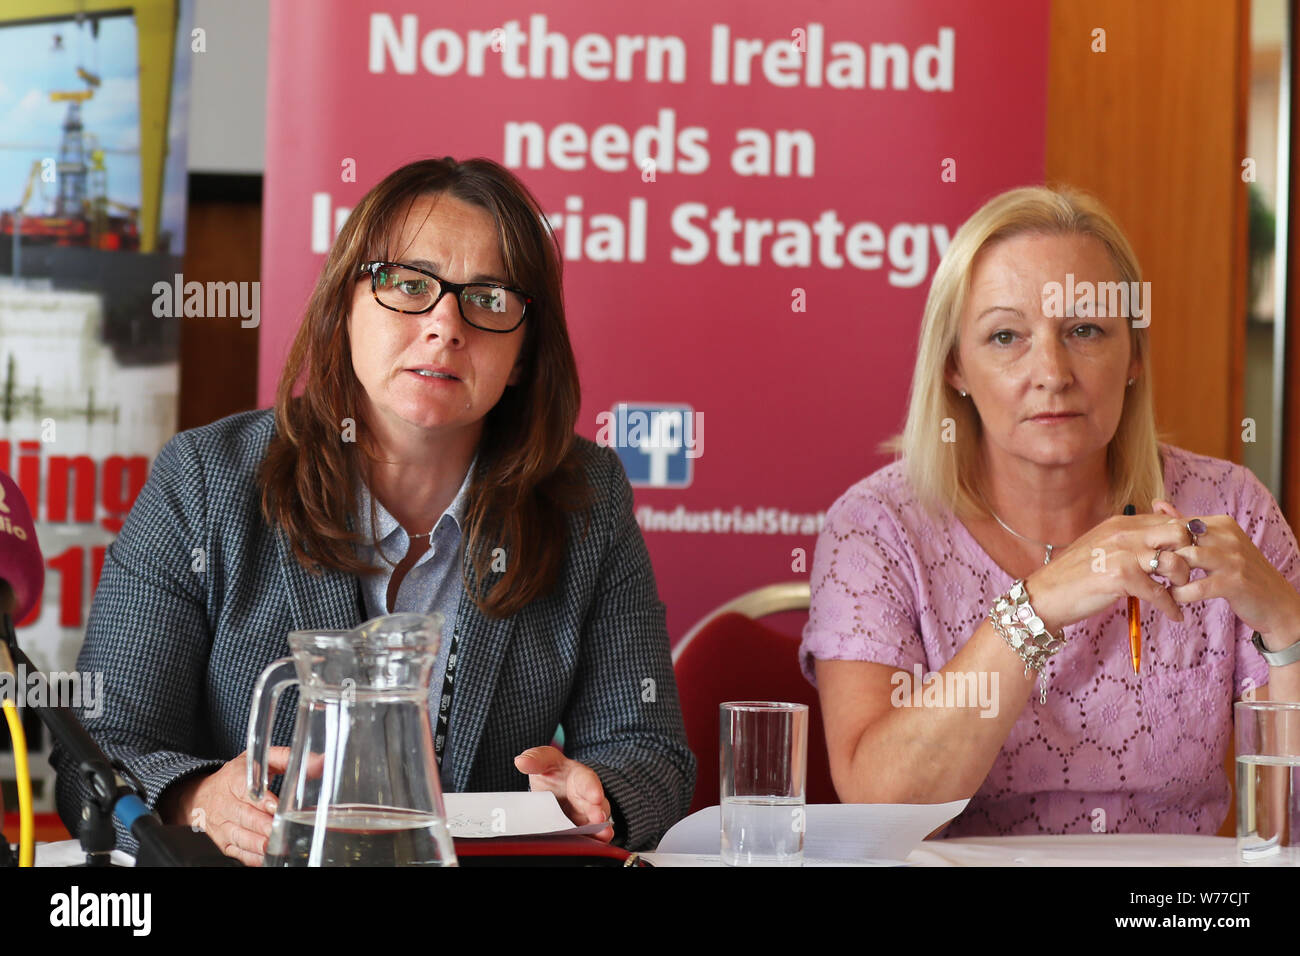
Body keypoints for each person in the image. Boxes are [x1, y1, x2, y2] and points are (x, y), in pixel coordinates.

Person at [52, 157, 695, 863]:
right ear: (344, 307)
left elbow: (652, 754)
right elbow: (99, 749)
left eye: (489, 297)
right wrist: (197, 801)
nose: (446, 325)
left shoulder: (584, 498)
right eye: (408, 285)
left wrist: (597, 792)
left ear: (523, 354)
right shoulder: (205, 481)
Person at [801, 185, 1300, 836]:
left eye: (1085, 330)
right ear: (955, 366)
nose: (1052, 371)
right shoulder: (877, 528)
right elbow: (878, 803)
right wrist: (1037, 606)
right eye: (1006, 335)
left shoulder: (1229, 510)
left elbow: (1285, 827)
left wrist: (1288, 625)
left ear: (1135, 355)